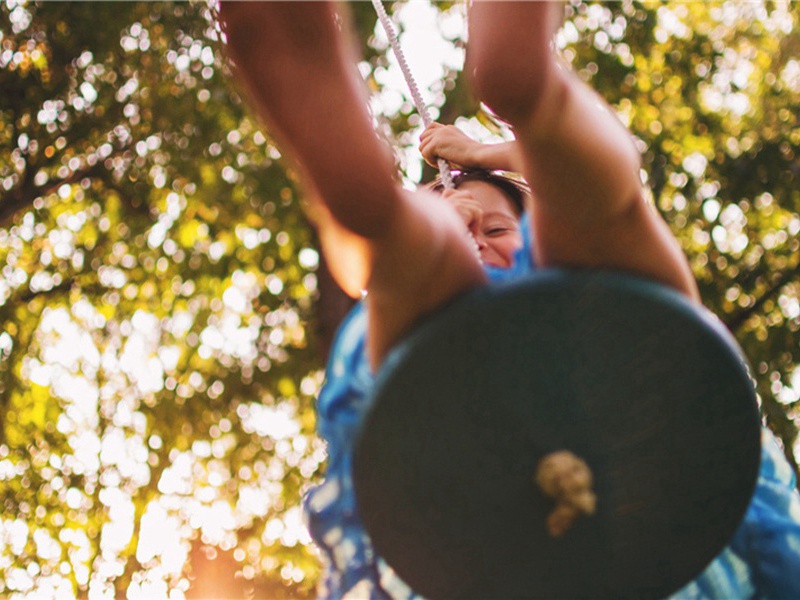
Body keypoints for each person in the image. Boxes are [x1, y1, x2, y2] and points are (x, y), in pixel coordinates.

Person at [218, 2, 800, 597]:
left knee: (593, 229)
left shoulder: (554, 267)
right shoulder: (423, 303)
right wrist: (438, 214)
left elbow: (546, 189)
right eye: (468, 231)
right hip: (464, 415)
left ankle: (514, 94)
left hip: (596, 359)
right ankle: (384, 190)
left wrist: (476, 153)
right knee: (409, 263)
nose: (481, 240)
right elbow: (368, 274)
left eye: (497, 230)